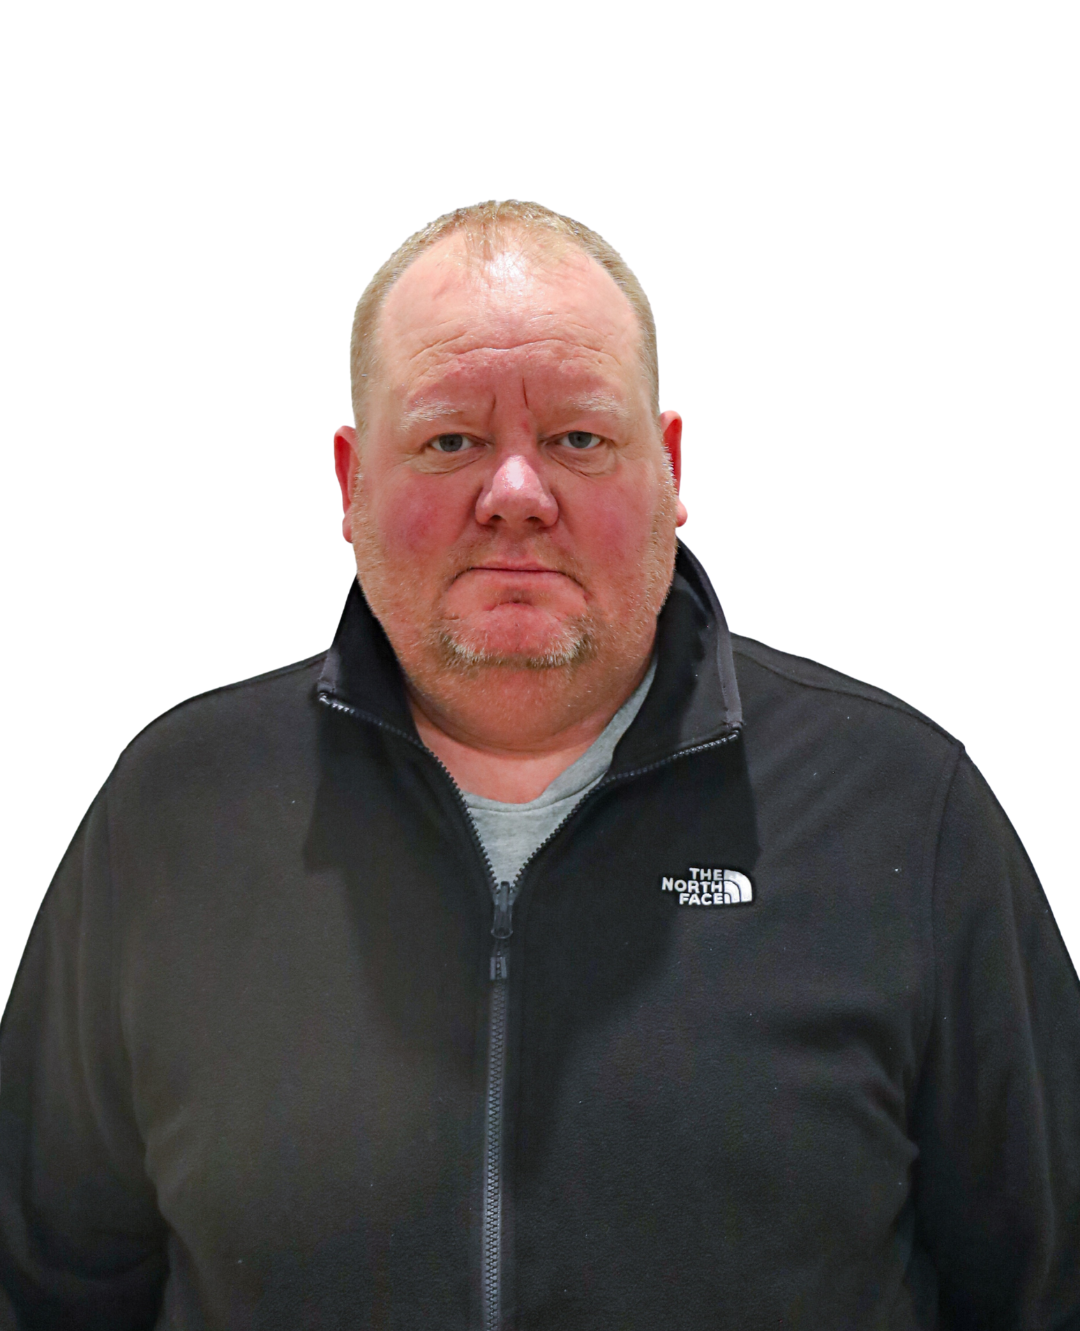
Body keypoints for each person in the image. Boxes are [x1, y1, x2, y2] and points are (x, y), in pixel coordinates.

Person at [1, 200, 1077, 1331]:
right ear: (351, 484)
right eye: (450, 442)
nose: (515, 494)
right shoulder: (176, 818)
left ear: (668, 468)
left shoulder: (900, 815)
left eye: (577, 439)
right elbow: (39, 1288)